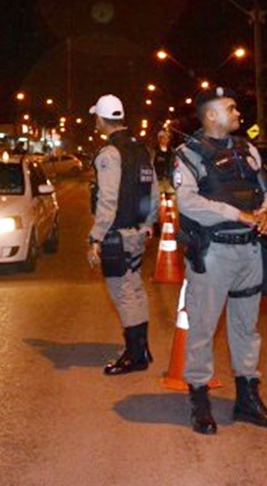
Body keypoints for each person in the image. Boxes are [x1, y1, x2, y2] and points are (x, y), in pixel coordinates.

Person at [173, 86, 267, 435]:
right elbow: (187, 203)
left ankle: (247, 399)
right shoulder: (187, 154)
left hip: (249, 252)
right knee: (203, 329)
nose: (238, 114)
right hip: (214, 252)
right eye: (231, 108)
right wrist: (238, 214)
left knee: (246, 329)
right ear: (211, 116)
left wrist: (266, 212)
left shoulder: (247, 150)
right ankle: (200, 399)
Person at [85, 94, 159, 376]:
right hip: (138, 232)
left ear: (101, 120)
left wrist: (96, 237)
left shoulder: (110, 154)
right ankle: (141, 347)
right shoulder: (141, 150)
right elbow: (152, 193)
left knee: (124, 293)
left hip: (117, 235)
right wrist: (149, 223)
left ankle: (134, 355)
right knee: (135, 289)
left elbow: (108, 200)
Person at [153, 130, 174, 195]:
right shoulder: (154, 152)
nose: (166, 140)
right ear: (159, 139)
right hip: (157, 181)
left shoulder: (172, 152)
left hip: (169, 181)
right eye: (164, 137)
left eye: (167, 138)